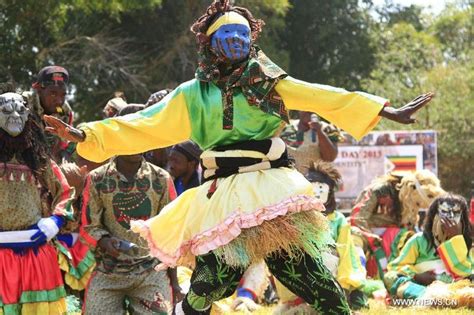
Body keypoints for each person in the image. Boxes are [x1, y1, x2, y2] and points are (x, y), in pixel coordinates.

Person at [44, 1, 433, 313]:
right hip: (223, 195)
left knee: (317, 284)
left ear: (251, 39)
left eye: (241, 34)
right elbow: (144, 123)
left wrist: (384, 108)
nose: (234, 40)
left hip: (272, 191)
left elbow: (321, 95)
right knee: (210, 284)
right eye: (226, 34)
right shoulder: (193, 93)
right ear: (210, 43)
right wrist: (84, 133)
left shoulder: (270, 81)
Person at [80, 105, 178, 314]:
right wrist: (105, 241)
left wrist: (175, 283)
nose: (137, 141)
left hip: (150, 273)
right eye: (130, 134)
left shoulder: (161, 179)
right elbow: (89, 226)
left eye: (140, 133)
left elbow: (172, 232)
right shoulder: (97, 179)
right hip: (108, 272)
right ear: (117, 136)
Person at [0, 86, 74, 313]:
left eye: (20, 110)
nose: (15, 116)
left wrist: (55, 222)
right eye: (6, 110)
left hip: (37, 255)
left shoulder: (40, 160)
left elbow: (65, 192)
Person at [274, 161, 369, 313]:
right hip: (301, 279)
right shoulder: (294, 219)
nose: (317, 192)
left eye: (321, 187)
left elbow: (346, 254)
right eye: (312, 186)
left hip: (330, 274)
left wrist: (344, 286)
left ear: (330, 192)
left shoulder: (338, 221)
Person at [350, 170, 445, 278]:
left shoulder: (408, 207)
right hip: (367, 234)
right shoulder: (380, 190)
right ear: (412, 190)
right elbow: (358, 217)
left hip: (393, 239)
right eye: (418, 204)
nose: (416, 208)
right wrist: (370, 238)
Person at [384, 194, 473, 307]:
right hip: (420, 287)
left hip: (453, 287)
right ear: (434, 215)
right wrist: (416, 276)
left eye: (456, 213)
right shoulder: (419, 240)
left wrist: (456, 240)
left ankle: (445, 300)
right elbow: (396, 267)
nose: (451, 217)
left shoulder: (467, 243)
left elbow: (466, 273)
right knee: (392, 278)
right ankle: (427, 298)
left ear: (462, 218)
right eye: (445, 212)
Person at [23, 65, 74, 162]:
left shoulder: (64, 111)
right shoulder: (24, 103)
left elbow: (68, 141)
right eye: (53, 93)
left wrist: (65, 154)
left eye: (63, 95)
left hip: (48, 161)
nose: (59, 101)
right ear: (39, 90)